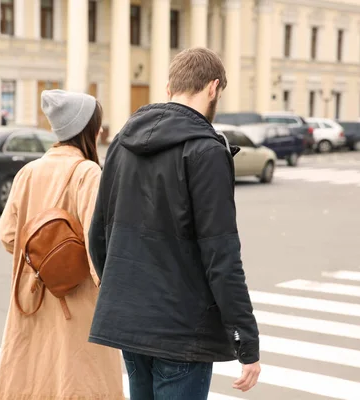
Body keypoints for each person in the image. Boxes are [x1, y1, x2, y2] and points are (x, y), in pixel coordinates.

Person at [88, 47, 261, 399]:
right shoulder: (206, 150)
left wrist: (122, 293)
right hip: (183, 328)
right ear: (214, 88)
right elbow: (221, 254)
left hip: (131, 321)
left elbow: (98, 233)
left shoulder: (121, 141)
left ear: (169, 89)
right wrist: (246, 340)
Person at [0, 90, 124, 400]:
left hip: (32, 296)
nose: (101, 131)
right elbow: (98, 248)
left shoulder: (29, 172)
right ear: (87, 130)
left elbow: (8, 235)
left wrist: (43, 260)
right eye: (98, 125)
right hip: (79, 305)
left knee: (36, 381)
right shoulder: (88, 172)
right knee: (80, 383)